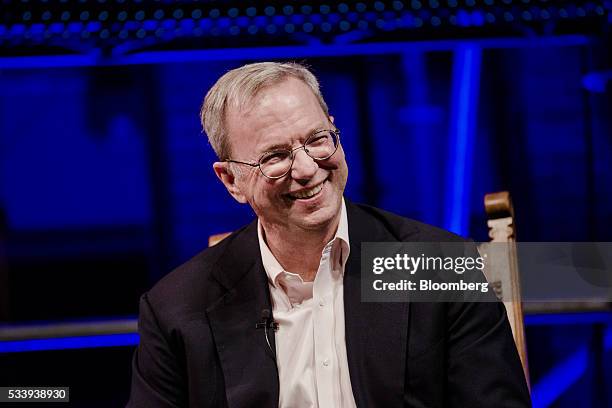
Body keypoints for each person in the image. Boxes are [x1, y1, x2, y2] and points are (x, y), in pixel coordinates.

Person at [127, 62, 530, 407]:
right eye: (276, 156)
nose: (306, 168)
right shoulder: (176, 310)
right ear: (231, 180)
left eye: (317, 140)